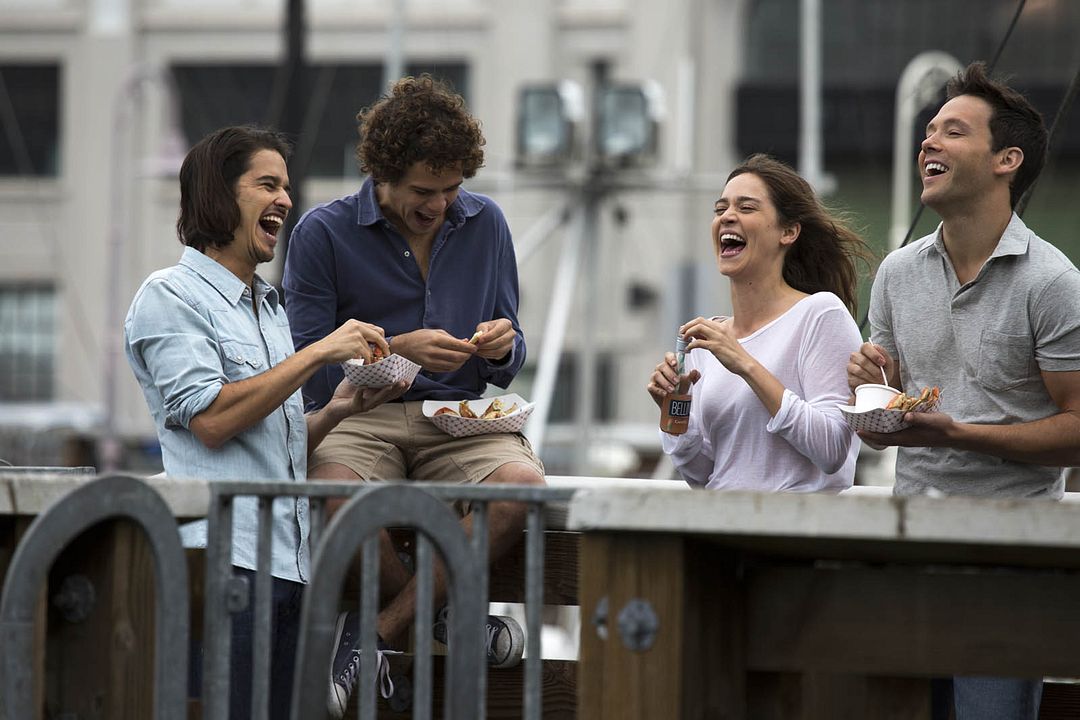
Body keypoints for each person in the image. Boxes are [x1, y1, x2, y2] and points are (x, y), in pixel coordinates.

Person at [282, 75, 545, 716]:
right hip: (359, 411)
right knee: (334, 498)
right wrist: (399, 348)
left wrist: (502, 345)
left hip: (461, 414)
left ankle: (375, 635)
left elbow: (512, 358)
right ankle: (444, 621)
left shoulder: (487, 224)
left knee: (524, 489)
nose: (441, 206)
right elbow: (309, 368)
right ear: (382, 174)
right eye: (424, 192)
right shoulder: (322, 233)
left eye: (452, 190)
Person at [124, 125, 406, 720]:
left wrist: (337, 411)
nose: (286, 198)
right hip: (224, 566)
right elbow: (209, 421)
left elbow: (272, 445)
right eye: (267, 184)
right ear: (219, 196)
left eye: (287, 185)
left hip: (291, 568)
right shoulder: (169, 296)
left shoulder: (269, 307)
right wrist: (319, 353)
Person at [847, 62, 1080, 719]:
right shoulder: (895, 273)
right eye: (927, 132)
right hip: (910, 550)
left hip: (1010, 563)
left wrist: (959, 433)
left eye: (952, 131)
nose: (928, 144)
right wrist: (874, 392)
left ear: (1006, 159)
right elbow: (877, 425)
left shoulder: (1054, 283)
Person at [647, 154, 868, 492]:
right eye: (720, 210)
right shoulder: (710, 343)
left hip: (793, 533)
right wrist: (676, 408)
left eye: (746, 208)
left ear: (789, 231)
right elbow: (702, 475)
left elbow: (832, 451)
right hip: (723, 528)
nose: (727, 217)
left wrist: (746, 364)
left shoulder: (820, 314)